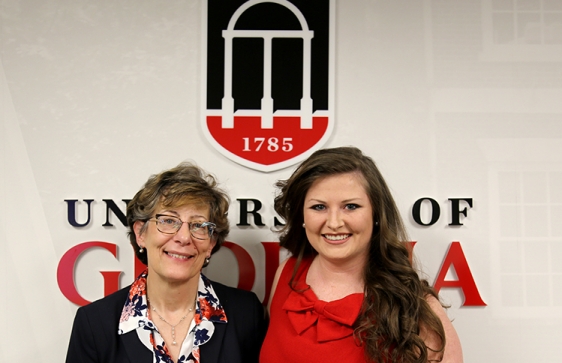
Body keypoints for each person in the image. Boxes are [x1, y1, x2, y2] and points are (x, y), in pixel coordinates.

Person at [260, 146, 463, 363]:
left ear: (376, 214)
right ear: (302, 214)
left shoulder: (416, 307)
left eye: (351, 206)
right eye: (319, 207)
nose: (334, 223)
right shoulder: (286, 274)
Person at [66, 162, 266, 363]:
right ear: (140, 233)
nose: (184, 237)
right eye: (169, 221)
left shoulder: (247, 314)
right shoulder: (94, 323)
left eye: (198, 225)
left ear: (211, 243)